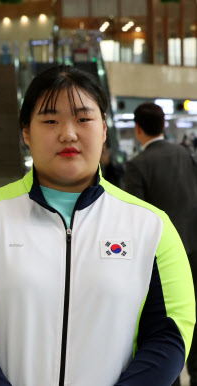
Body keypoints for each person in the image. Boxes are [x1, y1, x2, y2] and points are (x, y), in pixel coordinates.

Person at [0, 65, 195, 385]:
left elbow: (169, 334)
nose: (68, 133)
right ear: (26, 132)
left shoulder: (152, 227)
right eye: (50, 120)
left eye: (83, 119)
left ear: (104, 129)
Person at [124, 102, 197, 386]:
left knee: (160, 325)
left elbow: (135, 216)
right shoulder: (186, 155)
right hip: (192, 249)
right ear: (164, 126)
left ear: (138, 129)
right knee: (190, 317)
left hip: (158, 260)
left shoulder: (138, 165)